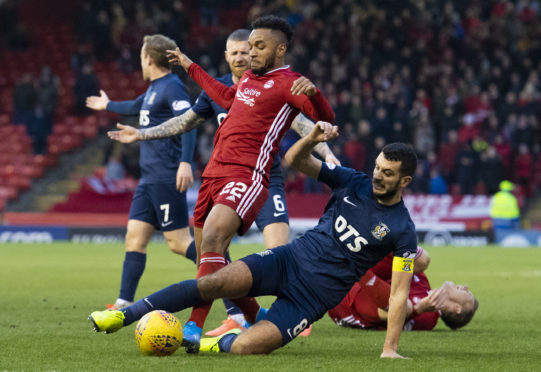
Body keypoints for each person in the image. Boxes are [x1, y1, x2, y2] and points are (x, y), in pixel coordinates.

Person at [89, 123, 419, 359]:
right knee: (213, 283)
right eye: (377, 167)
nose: (377, 175)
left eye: (387, 173)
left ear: (404, 180)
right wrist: (312, 138)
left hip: (312, 299)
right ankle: (123, 315)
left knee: (249, 348)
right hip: (286, 261)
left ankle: (210, 344)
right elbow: (297, 161)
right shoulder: (353, 181)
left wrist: (389, 349)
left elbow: (400, 291)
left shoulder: (402, 229)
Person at [107, 15, 335, 352]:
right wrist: (189, 67)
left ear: (279, 49)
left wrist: (316, 101)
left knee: (231, 242)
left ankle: (197, 326)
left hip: (254, 176)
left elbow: (321, 120)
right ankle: (257, 317)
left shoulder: (288, 83)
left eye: (257, 47)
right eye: (244, 49)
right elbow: (216, 101)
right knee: (210, 257)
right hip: (215, 175)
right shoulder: (245, 83)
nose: (250, 54)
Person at [85, 34, 197, 310]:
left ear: (149, 58)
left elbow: (189, 122)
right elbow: (135, 107)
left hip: (166, 174)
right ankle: (123, 303)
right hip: (148, 178)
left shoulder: (173, 87)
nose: (140, 63)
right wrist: (108, 105)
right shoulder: (154, 89)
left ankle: (231, 278)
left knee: (178, 243)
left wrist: (185, 161)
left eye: (141, 58)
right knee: (134, 237)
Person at [329, 248, 479, 331]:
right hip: (358, 282)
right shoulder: (423, 283)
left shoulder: (429, 318)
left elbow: (384, 320)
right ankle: (378, 231)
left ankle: (356, 264)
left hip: (349, 303)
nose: (465, 287)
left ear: (457, 308)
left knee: (404, 307)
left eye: (468, 294)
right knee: (421, 261)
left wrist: (417, 309)